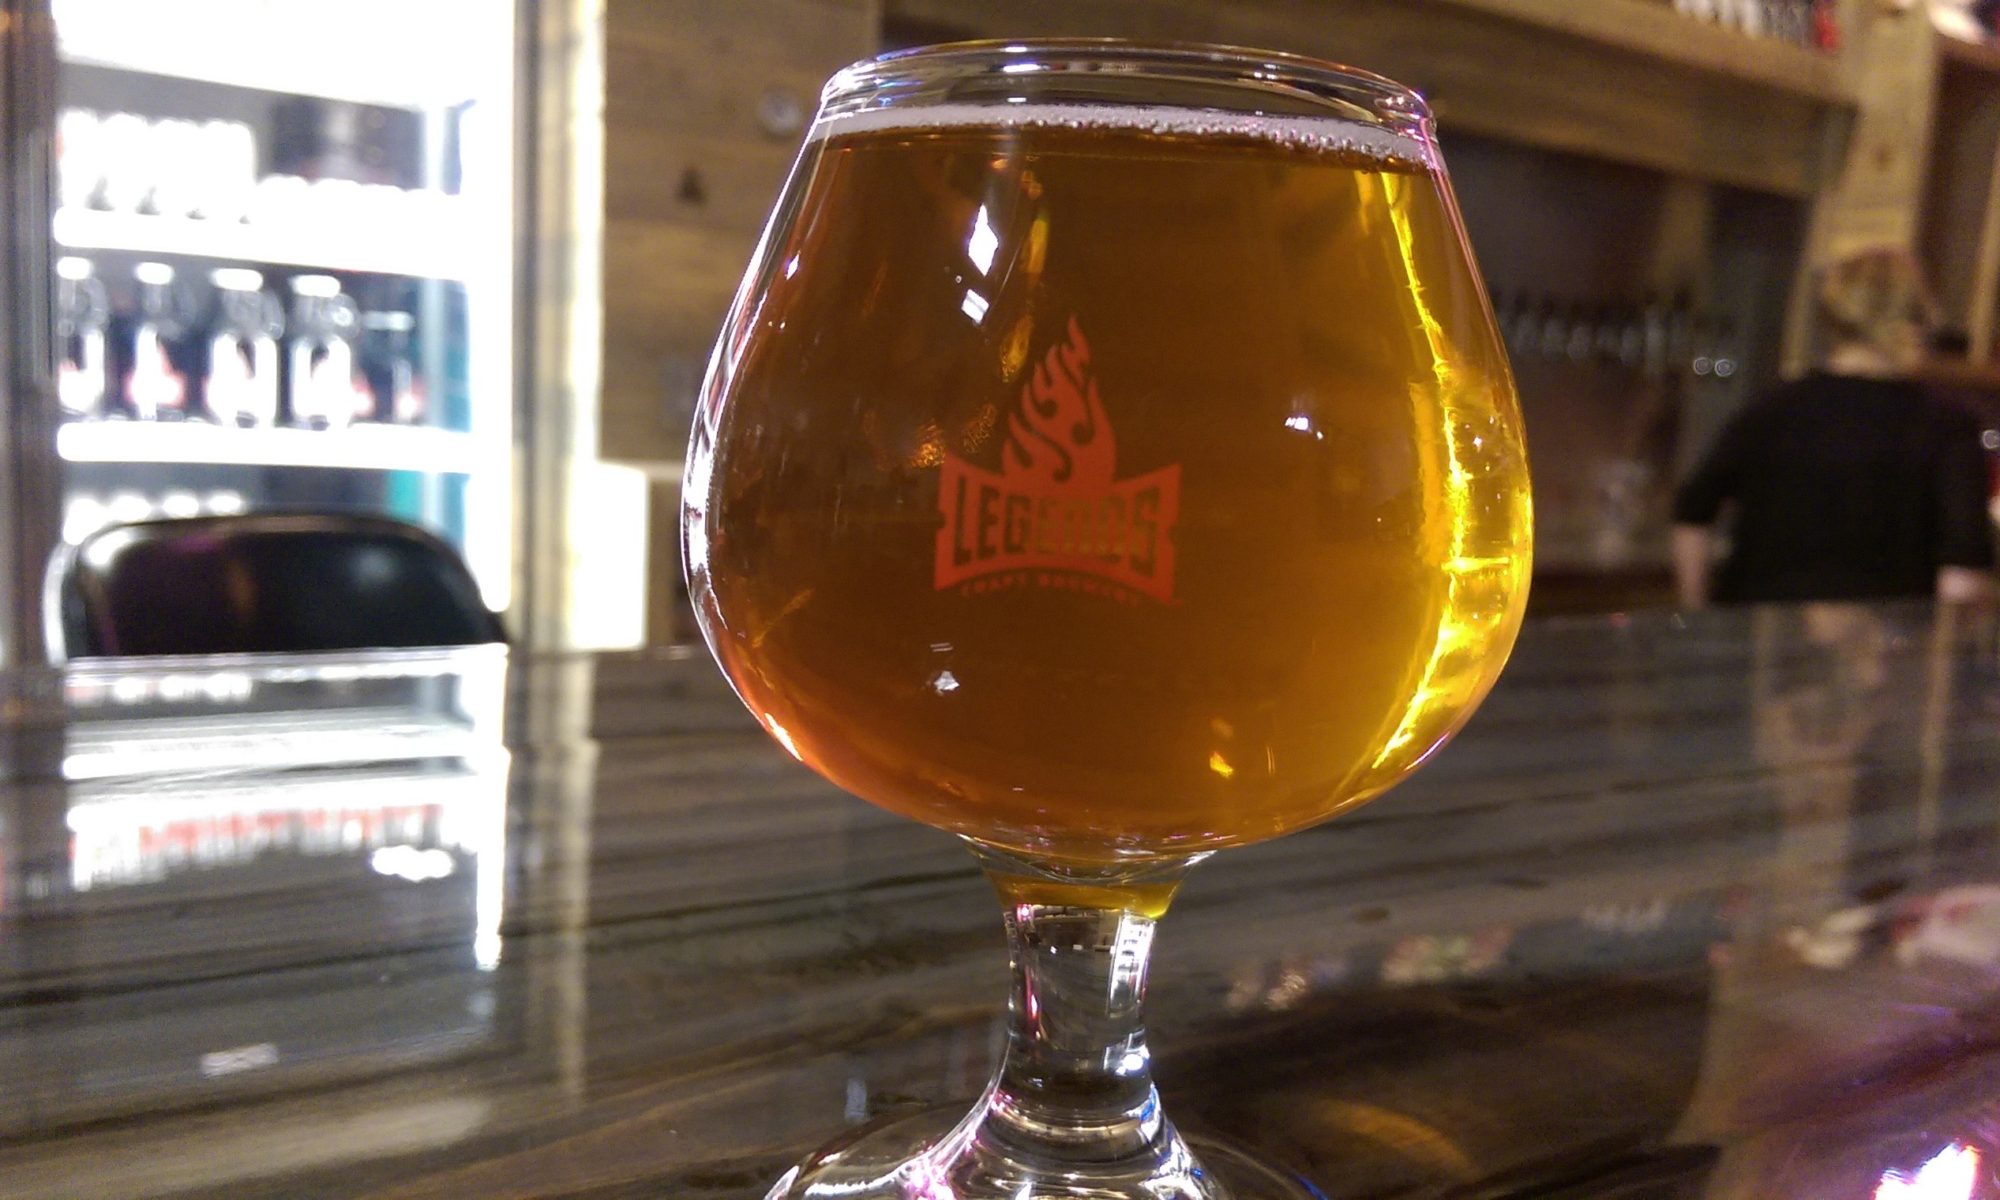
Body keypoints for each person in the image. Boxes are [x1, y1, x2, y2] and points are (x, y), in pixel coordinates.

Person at [1671, 249, 1995, 608]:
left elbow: (1692, 513)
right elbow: (1961, 577)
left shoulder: (1772, 409)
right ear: (1916, 319)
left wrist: (1697, 616)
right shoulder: (1945, 426)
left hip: (1761, 630)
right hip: (1885, 636)